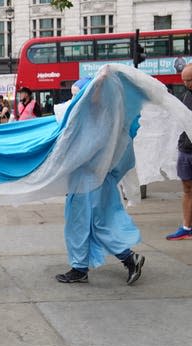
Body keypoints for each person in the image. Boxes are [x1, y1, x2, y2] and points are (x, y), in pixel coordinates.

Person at [56, 77, 145, 285]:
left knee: (90, 223)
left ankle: (127, 259)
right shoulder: (106, 118)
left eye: (79, 93)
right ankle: (83, 267)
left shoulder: (100, 119)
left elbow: (85, 152)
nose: (75, 98)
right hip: (92, 180)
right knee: (95, 223)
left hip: (90, 180)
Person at [166, 63, 192, 240]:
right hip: (185, 149)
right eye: (184, 80)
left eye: (190, 80)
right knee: (187, 189)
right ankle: (186, 227)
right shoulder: (187, 95)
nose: (186, 84)